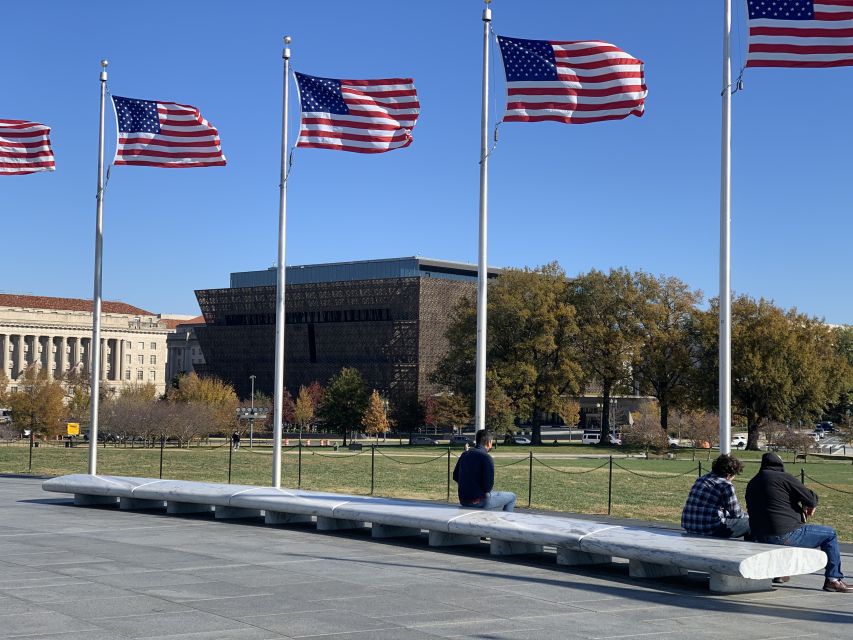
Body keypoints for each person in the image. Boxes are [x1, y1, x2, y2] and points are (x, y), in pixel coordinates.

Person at [745, 452, 850, 593]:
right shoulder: (783, 478)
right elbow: (811, 499)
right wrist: (808, 505)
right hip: (783, 535)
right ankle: (833, 579)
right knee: (829, 534)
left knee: (778, 530)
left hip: (758, 536)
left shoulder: (753, 482)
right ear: (780, 464)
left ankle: (780, 572)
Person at [681, 454, 750, 538]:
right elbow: (736, 514)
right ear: (729, 475)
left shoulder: (701, 479)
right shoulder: (725, 485)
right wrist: (749, 516)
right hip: (710, 528)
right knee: (752, 523)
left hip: (690, 525)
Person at [452, 430, 516, 511]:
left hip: (463, 500)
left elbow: (455, 476)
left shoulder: (464, 454)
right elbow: (488, 487)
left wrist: (469, 487)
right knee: (512, 497)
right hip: (479, 501)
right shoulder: (486, 457)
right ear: (489, 442)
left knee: (494, 495)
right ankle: (505, 522)